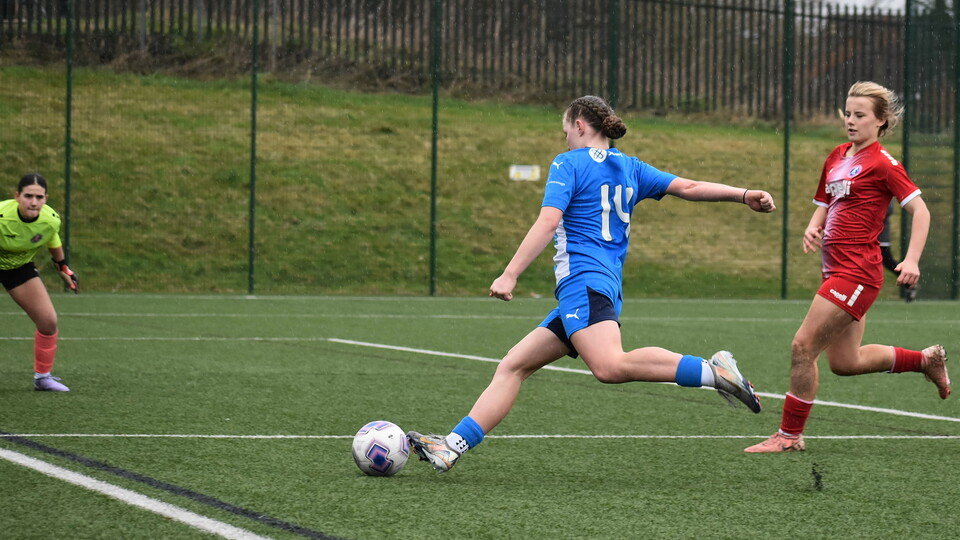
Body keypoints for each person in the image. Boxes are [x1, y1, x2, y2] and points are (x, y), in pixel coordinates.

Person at [406, 95, 777, 472]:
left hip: (581, 283)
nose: (565, 139)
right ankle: (450, 446)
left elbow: (548, 222)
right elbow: (691, 187)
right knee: (514, 366)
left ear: (580, 126)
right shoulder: (630, 167)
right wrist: (743, 195)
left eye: (565, 131)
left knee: (610, 366)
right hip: (599, 286)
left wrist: (510, 273)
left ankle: (712, 372)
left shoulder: (568, 163)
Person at [745, 81, 950, 454]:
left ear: (881, 121)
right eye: (848, 114)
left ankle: (789, 436)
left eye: (860, 115)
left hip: (857, 273)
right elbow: (826, 200)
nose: (851, 121)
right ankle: (925, 360)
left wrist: (912, 259)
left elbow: (921, 210)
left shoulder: (884, 165)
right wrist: (813, 224)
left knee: (802, 346)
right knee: (845, 362)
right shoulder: (838, 155)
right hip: (837, 270)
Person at [0, 173, 79, 392]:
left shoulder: (50, 219)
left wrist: (63, 268)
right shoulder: (2, 216)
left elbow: (51, 238)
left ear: (45, 198)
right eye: (28, 196)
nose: (33, 202)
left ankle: (43, 378)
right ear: (17, 196)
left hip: (18, 268)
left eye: (39, 197)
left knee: (48, 321)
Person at [879, 201, 918, 302]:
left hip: (880, 237)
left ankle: (909, 282)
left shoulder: (884, 190)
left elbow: (888, 210)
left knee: (888, 262)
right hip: (865, 237)